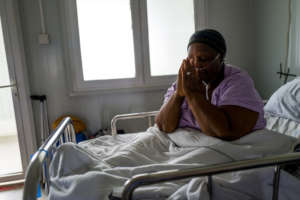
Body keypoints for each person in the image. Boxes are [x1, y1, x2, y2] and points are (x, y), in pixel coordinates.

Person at [155, 29, 266, 141]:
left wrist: (193, 95)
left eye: (202, 59)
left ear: (220, 57)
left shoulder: (237, 82)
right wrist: (178, 95)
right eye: (190, 59)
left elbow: (224, 131)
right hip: (181, 142)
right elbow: (163, 126)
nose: (196, 64)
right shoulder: (184, 81)